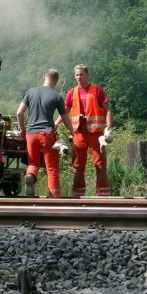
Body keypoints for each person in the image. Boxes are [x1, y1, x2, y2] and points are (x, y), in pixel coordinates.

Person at [16, 69, 73, 197]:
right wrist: (72, 132)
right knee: (51, 168)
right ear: (56, 82)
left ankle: (30, 176)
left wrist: (23, 130)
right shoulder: (57, 96)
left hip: (31, 134)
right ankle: (54, 198)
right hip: (47, 134)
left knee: (33, 163)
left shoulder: (30, 92)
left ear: (44, 78)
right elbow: (64, 118)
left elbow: (19, 113)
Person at [59, 64, 114, 196]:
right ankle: (78, 195)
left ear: (87, 75)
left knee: (100, 164)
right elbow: (64, 113)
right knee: (77, 166)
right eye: (77, 75)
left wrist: (109, 128)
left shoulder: (97, 90)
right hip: (79, 134)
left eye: (81, 74)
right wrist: (55, 125)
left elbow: (108, 110)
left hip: (96, 134)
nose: (79, 77)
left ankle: (103, 194)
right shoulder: (72, 92)